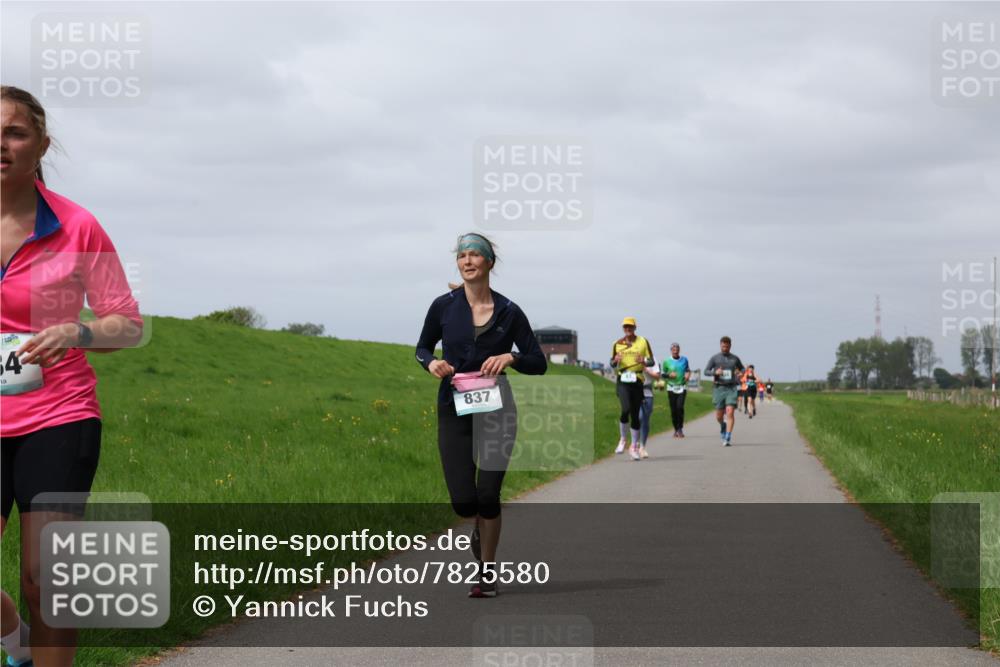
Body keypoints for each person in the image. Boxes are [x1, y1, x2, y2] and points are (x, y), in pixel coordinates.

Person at [1, 86, 143, 667]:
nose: (0, 145)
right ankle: (16, 645)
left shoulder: (77, 226)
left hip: (57, 415)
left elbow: (127, 325)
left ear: (41, 145)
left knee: (46, 578)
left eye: (14, 132)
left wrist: (76, 332)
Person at [415, 232, 546, 598]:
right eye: (462, 256)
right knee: (463, 500)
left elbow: (539, 362)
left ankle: (487, 572)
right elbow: (422, 348)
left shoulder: (509, 311)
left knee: (488, 494)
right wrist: (432, 364)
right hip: (452, 408)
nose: (467, 261)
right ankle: (478, 528)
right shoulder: (443, 306)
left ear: (489, 263)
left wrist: (512, 357)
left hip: (497, 410)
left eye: (475, 255)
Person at [610, 317, 654, 461]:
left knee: (635, 415)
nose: (628, 329)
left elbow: (651, 360)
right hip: (623, 380)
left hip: (637, 380)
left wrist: (644, 361)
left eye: (630, 327)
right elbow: (611, 363)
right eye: (625, 327)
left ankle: (634, 447)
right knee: (625, 409)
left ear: (635, 328)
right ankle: (623, 439)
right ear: (623, 328)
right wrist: (615, 360)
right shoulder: (617, 344)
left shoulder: (643, 341)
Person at [704, 336, 745, 446]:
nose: (725, 348)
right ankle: (722, 425)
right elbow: (706, 371)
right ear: (720, 345)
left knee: (730, 412)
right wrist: (715, 373)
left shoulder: (735, 358)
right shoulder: (715, 358)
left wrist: (741, 374)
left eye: (727, 346)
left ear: (730, 346)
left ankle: (727, 436)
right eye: (723, 346)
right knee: (719, 416)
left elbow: (742, 368)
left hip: (731, 388)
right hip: (719, 388)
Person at [662, 343, 691, 437]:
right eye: (674, 349)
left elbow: (687, 370)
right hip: (671, 387)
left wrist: (687, 374)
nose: (675, 351)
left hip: (682, 387)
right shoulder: (666, 361)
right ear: (671, 350)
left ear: (679, 350)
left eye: (677, 349)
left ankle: (680, 429)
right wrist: (669, 375)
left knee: (680, 407)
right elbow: (663, 374)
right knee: (673, 410)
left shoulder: (684, 360)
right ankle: (675, 429)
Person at [636, 358, 659, 459]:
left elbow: (657, 376)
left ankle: (642, 447)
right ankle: (634, 444)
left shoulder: (652, 359)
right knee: (638, 417)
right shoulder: (631, 355)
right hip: (634, 390)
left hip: (647, 392)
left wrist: (646, 369)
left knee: (645, 419)